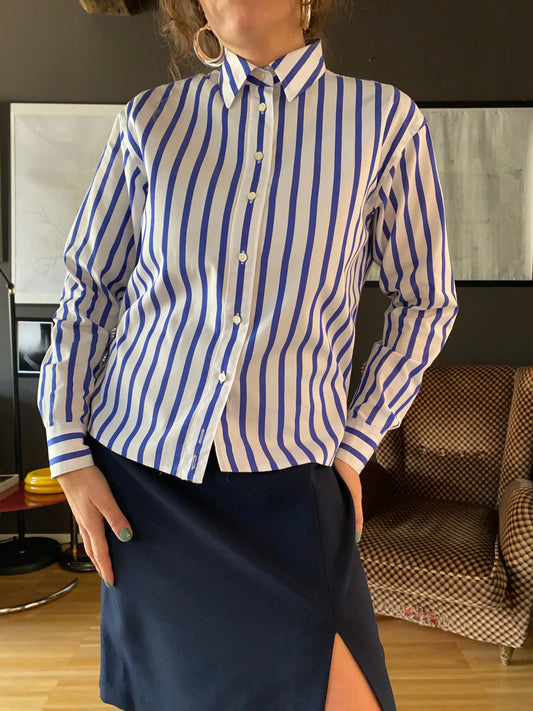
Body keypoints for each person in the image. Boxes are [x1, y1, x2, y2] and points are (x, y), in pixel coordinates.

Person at [37, 1, 459, 710]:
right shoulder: (151, 120)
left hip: (292, 479)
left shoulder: (383, 121)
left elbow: (426, 302)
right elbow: (90, 287)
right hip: (144, 478)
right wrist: (68, 452)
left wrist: (356, 443)